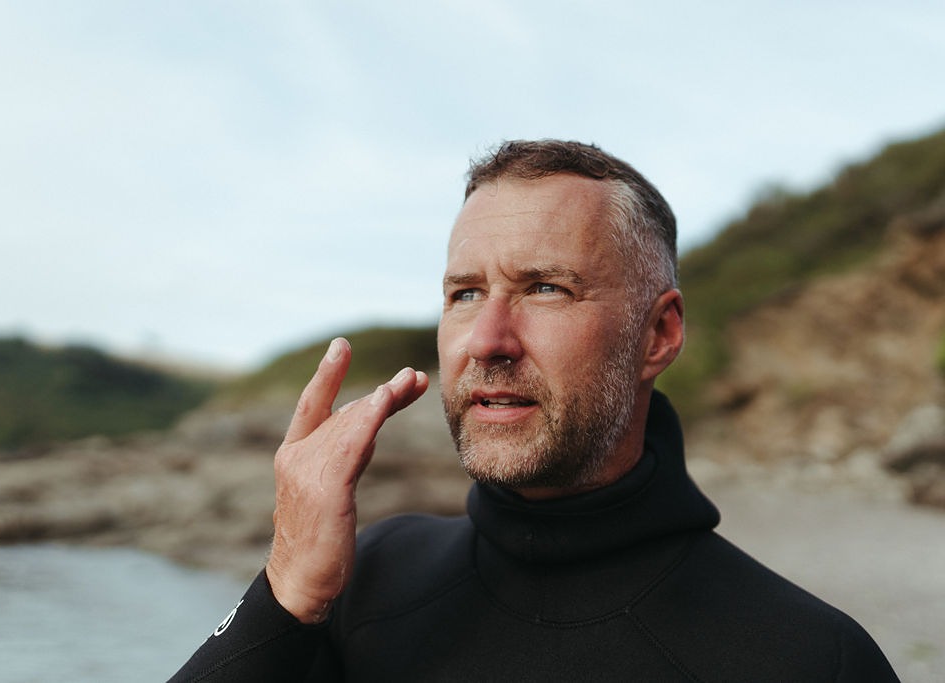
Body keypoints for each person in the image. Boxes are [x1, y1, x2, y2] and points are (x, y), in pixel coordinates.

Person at [169, 140, 898, 681]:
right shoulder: (367, 581)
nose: (488, 340)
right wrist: (286, 590)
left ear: (658, 334)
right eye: (465, 293)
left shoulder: (809, 658)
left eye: (546, 288)